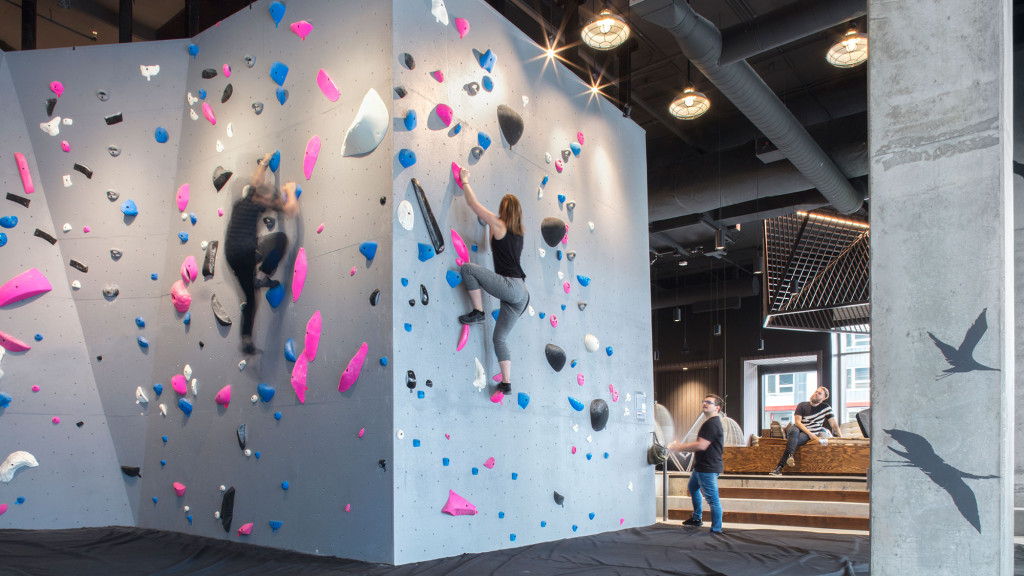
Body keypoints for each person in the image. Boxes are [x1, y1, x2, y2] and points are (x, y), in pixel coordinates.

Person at [456, 169, 529, 395]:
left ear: (503, 211)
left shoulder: (499, 225)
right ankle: (506, 383)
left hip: (511, 287)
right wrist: (486, 225)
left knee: (468, 269)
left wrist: (465, 181)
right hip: (522, 296)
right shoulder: (519, 235)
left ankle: (478, 311)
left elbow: (473, 203)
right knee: (499, 338)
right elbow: (490, 246)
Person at [224, 152, 299, 355]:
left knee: (251, 298)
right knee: (280, 240)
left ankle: (246, 339)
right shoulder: (260, 203)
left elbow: (256, 181)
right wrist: (290, 191)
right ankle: (264, 275)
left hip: (233, 256)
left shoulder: (246, 200)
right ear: (265, 199)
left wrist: (264, 162)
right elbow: (290, 210)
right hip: (247, 252)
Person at [668, 394, 725, 534]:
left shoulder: (712, 424)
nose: (705, 404)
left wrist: (678, 447)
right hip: (701, 466)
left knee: (712, 500)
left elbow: (701, 445)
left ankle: (716, 530)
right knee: (693, 487)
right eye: (704, 401)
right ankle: (697, 518)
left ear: (717, 408)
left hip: (707, 468)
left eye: (709, 402)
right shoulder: (709, 423)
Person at [770, 386, 841, 476]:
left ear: (823, 398)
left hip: (805, 435)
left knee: (794, 441)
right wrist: (810, 433)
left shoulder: (826, 408)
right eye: (816, 391)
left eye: (819, 393)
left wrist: (841, 437)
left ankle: (779, 467)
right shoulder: (802, 405)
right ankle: (789, 457)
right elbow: (797, 422)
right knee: (794, 431)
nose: (816, 393)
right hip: (798, 429)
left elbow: (834, 424)